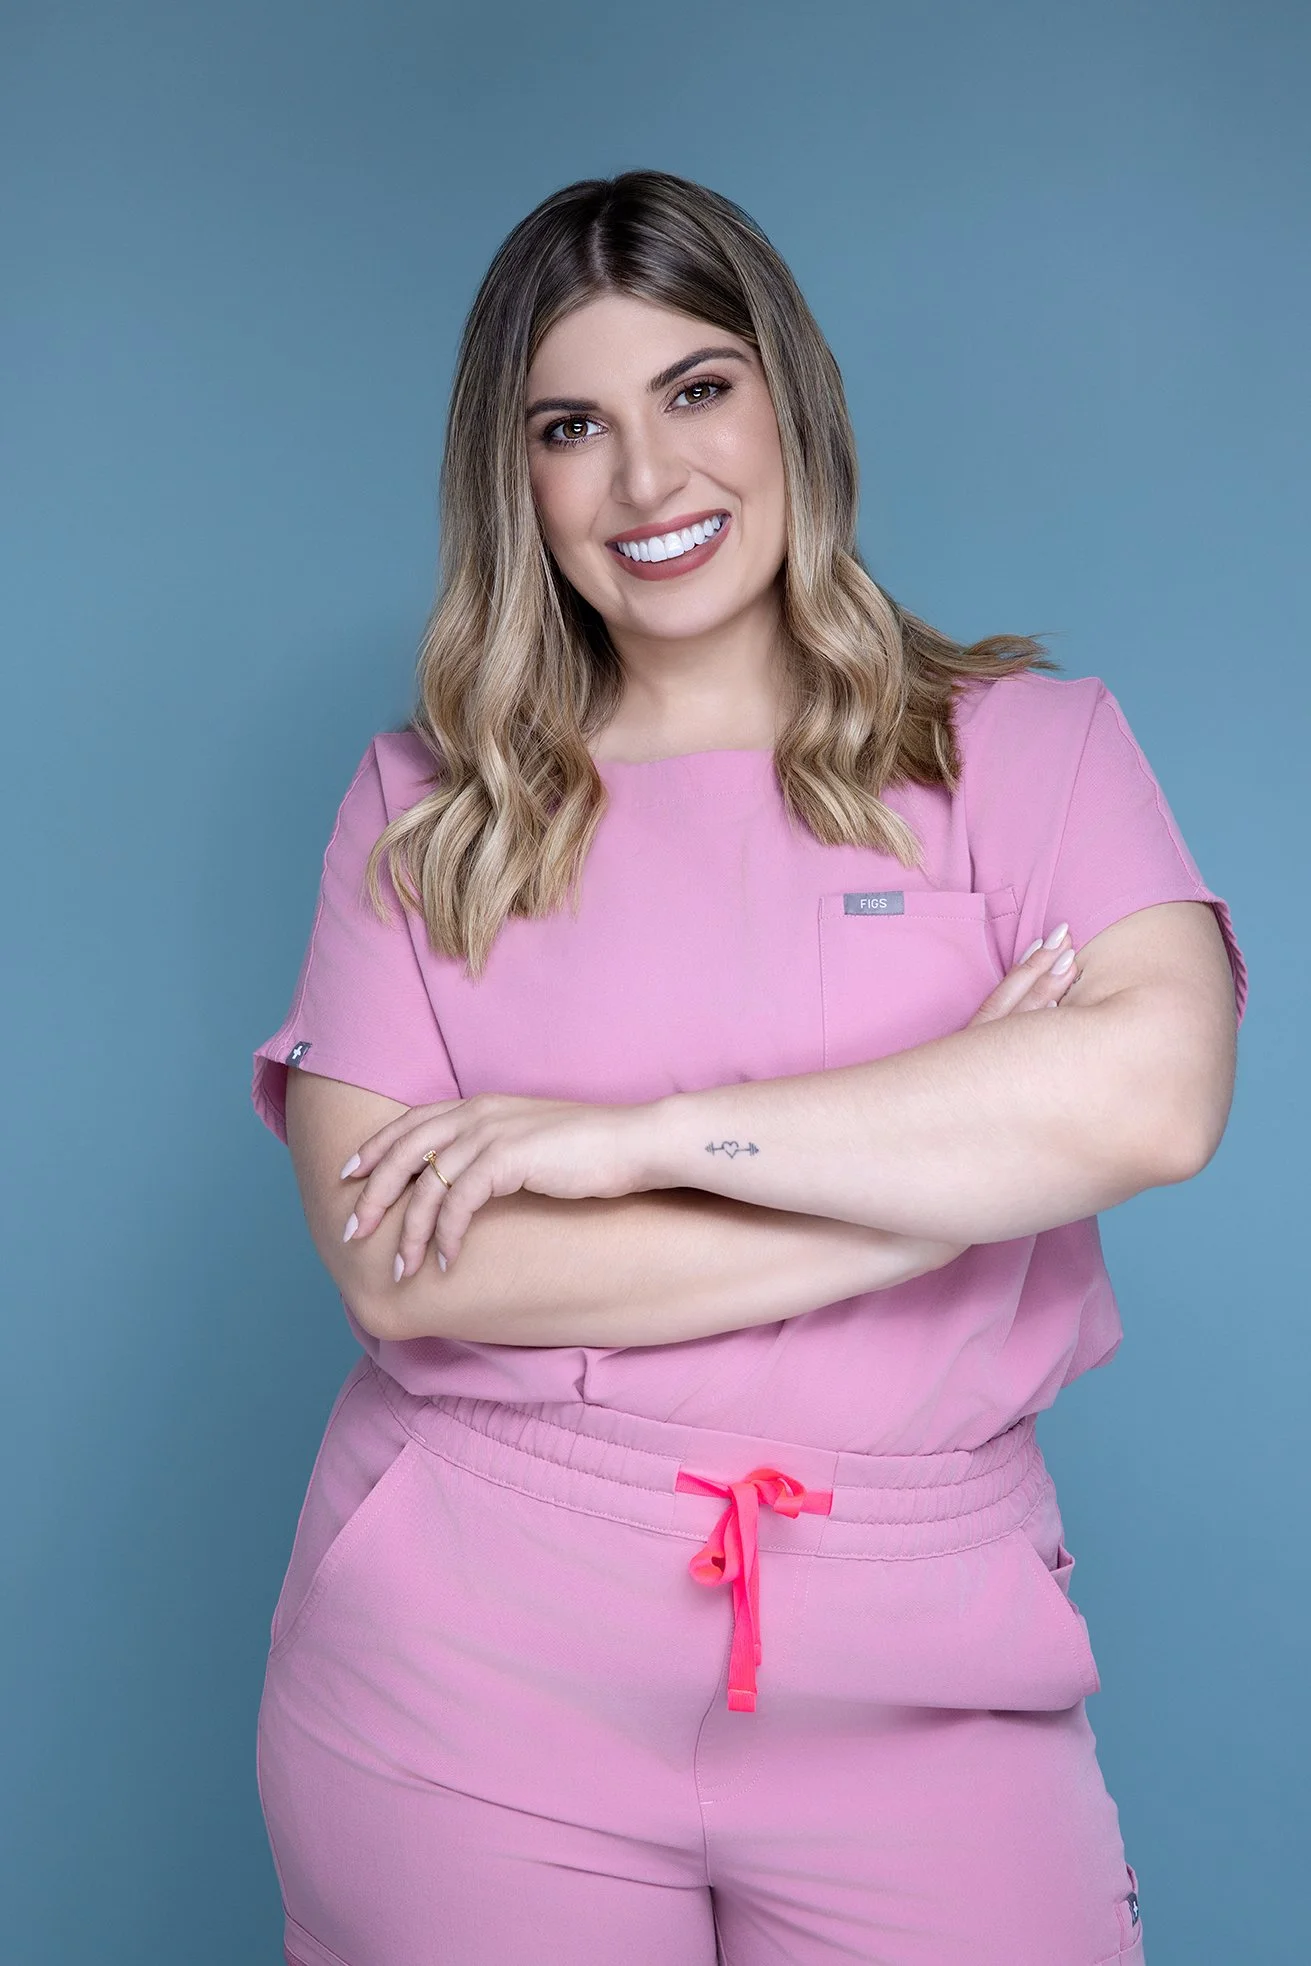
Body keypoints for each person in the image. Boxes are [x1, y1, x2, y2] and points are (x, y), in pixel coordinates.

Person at [250, 170, 1246, 1966]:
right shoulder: (424, 815)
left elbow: (1152, 1099)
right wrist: (929, 1199)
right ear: (517, 478)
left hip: (928, 1658)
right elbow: (406, 1265)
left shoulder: (1030, 753)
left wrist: (624, 1144)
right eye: (574, 427)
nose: (648, 482)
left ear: (790, 397)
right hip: (472, 1670)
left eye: (697, 389)